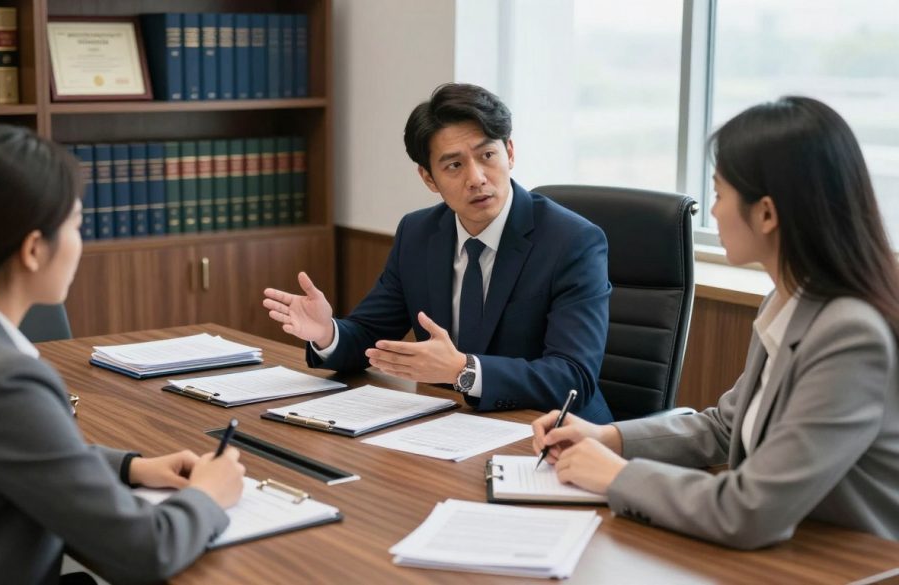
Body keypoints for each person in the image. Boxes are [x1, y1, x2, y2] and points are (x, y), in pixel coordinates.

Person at [0, 125, 246, 584]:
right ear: (33, 249)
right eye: (74, 223)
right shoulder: (4, 381)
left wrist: (131, 467)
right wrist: (210, 495)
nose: (80, 241)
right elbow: (147, 549)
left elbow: (10, 451)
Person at [532, 96, 899, 548]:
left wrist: (619, 477)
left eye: (721, 194)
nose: (713, 210)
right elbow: (724, 428)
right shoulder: (785, 302)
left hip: (851, 566)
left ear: (766, 213)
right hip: (785, 553)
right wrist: (607, 438)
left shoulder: (850, 334)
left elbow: (751, 509)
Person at [263, 83, 613, 422]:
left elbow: (573, 378)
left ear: (509, 152)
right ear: (429, 178)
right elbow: (372, 336)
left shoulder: (572, 242)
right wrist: (327, 333)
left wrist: (463, 370)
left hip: (555, 436)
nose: (476, 178)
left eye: (487, 155)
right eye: (454, 165)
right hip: (449, 426)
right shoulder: (418, 234)